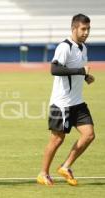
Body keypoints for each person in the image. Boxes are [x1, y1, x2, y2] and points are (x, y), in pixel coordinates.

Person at [37, 13, 95, 186]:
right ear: (74, 28)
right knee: (57, 139)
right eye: (83, 29)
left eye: (88, 29)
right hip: (62, 103)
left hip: (78, 101)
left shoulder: (83, 48)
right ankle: (43, 173)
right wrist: (80, 72)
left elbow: (76, 69)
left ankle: (66, 166)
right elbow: (54, 69)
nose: (86, 32)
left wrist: (85, 77)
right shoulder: (65, 47)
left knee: (89, 135)